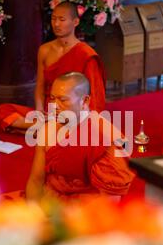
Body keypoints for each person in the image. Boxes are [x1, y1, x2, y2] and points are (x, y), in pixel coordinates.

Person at [0, 1, 106, 134]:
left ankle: (36, 130)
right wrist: (39, 112)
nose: (56, 24)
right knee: (3, 110)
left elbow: (95, 97)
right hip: (49, 112)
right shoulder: (45, 50)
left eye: (62, 19)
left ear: (75, 22)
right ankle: (42, 129)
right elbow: (40, 86)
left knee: (81, 128)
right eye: (53, 19)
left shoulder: (86, 54)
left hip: (71, 113)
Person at [24, 72, 134, 202]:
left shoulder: (106, 138)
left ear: (85, 101)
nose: (54, 106)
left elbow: (110, 201)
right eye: (52, 98)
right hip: (50, 203)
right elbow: (36, 181)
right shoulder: (49, 129)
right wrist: (34, 212)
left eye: (63, 100)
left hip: (85, 211)